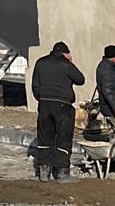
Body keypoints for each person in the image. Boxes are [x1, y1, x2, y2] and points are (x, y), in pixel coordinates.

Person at [31, 41, 84, 183]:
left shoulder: (40, 63)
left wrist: (42, 98)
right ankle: (63, 172)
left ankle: (43, 172)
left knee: (44, 137)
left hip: (44, 104)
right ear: (66, 54)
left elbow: (35, 85)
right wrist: (70, 63)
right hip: (63, 105)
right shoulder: (66, 65)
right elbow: (80, 79)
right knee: (63, 138)